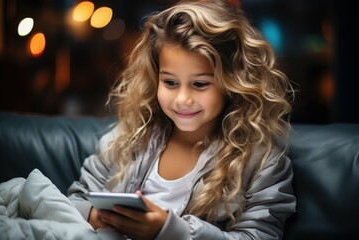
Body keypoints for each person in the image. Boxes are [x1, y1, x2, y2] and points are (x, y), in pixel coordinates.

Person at [68, 0, 296, 239]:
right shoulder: (126, 138)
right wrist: (95, 216)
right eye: (170, 82)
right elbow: (76, 200)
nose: (182, 99)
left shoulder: (261, 163)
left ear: (233, 83)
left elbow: (259, 236)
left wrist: (168, 230)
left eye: (200, 84)